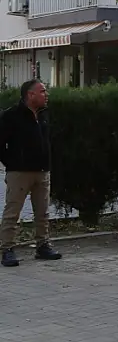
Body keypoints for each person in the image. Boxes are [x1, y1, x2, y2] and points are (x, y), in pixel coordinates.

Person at [0, 79, 62, 267]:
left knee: (43, 212)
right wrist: (13, 163)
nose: (46, 95)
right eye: (42, 91)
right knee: (12, 213)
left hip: (42, 172)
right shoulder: (11, 116)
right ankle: (7, 249)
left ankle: (43, 245)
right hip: (19, 173)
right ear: (30, 95)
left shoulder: (44, 115)